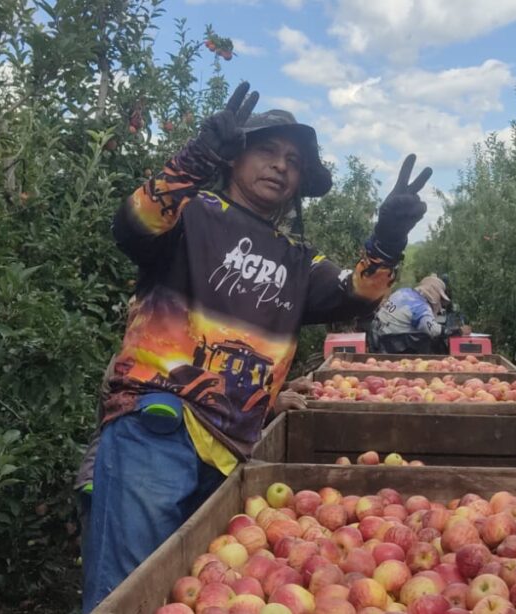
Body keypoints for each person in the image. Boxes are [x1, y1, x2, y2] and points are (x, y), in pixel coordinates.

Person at [82, 82, 432, 611]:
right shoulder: (191, 215)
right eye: (267, 150)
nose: (281, 166)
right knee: (129, 591)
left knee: (184, 596)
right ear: (234, 157)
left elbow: (358, 293)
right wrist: (194, 158)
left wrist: (388, 237)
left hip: (231, 453)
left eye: (294, 161)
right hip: (158, 425)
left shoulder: (297, 261)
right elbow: (133, 224)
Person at [368, 274, 470, 354]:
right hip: (395, 346)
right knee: (434, 341)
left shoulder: (402, 292)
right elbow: (434, 331)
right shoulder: (421, 308)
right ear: (435, 294)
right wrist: (459, 331)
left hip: (377, 338)